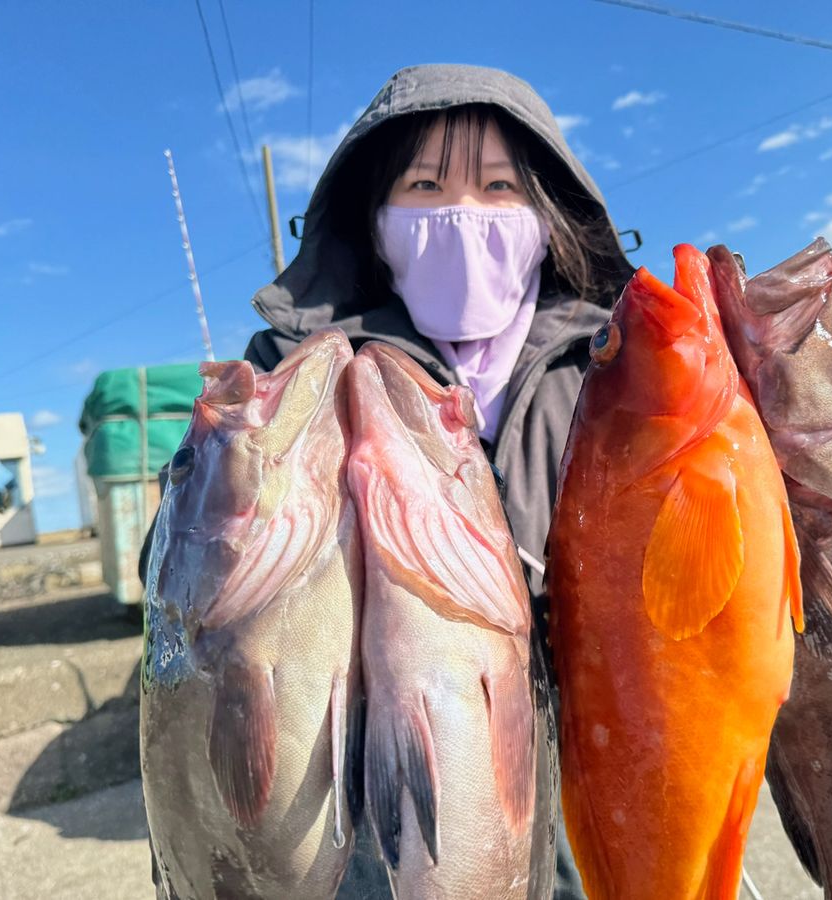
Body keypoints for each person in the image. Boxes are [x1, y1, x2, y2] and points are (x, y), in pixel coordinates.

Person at [244, 63, 633, 897]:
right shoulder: (294, 366)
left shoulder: (616, 363)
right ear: (374, 221)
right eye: (424, 184)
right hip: (357, 795)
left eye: (499, 186)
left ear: (546, 214)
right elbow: (186, 571)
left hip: (580, 768)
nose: (465, 215)